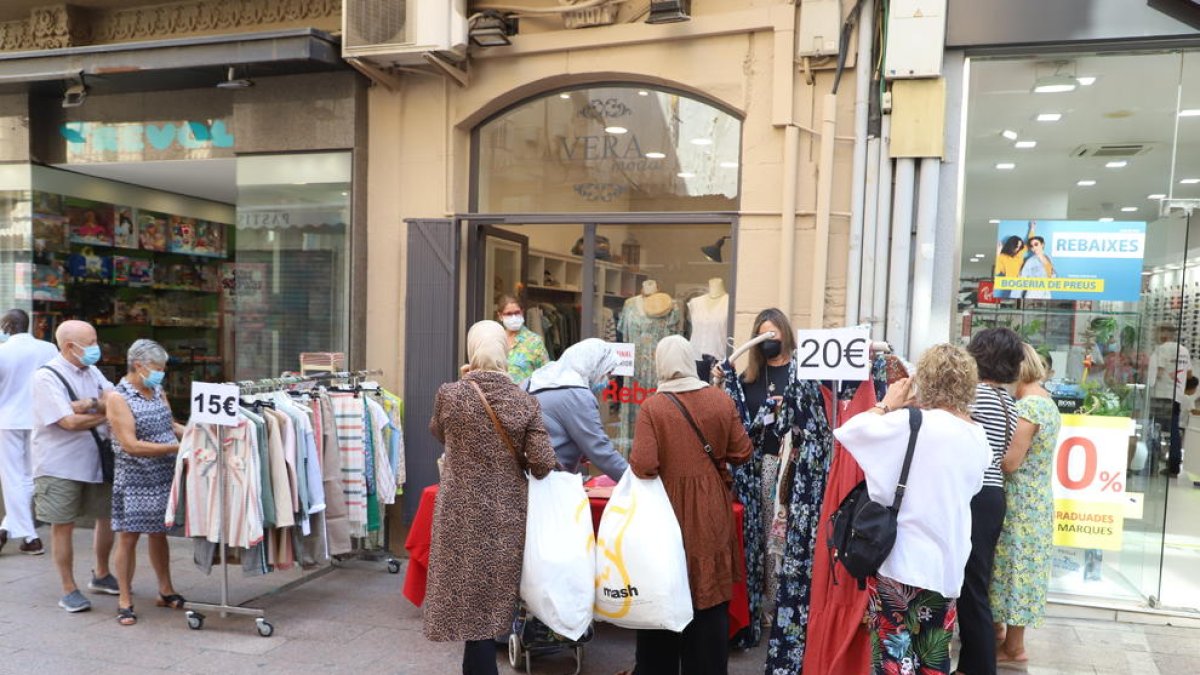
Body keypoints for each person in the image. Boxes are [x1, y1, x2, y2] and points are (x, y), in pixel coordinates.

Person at [834, 345, 991, 675]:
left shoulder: (909, 423)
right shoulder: (977, 437)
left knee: (892, 658)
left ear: (926, 379)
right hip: (945, 564)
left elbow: (849, 433)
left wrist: (886, 403)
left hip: (899, 559)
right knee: (933, 658)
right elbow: (972, 489)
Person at [424, 320, 557, 675]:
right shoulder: (524, 400)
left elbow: (439, 431)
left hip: (458, 509)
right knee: (489, 600)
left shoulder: (449, 394)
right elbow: (543, 463)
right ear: (505, 352)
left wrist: (464, 379)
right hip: (505, 513)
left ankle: (479, 667)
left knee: (468, 598)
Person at [626, 336, 752, 675]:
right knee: (709, 599)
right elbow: (743, 451)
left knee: (664, 592)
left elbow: (644, 463)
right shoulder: (719, 400)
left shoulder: (654, 406)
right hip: (712, 510)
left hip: (666, 512)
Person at [711, 307, 800, 643]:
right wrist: (721, 379)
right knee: (757, 539)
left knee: (781, 540)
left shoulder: (800, 373)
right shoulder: (747, 377)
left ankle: (780, 610)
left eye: (773, 334)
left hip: (788, 467)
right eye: (762, 335)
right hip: (754, 470)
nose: (769, 341)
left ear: (785, 335)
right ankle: (759, 608)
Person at [30, 320, 117, 613]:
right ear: (69, 347)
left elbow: (115, 399)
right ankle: (69, 588)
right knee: (62, 525)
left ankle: (102, 573)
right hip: (59, 465)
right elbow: (67, 422)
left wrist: (87, 404)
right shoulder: (46, 377)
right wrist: (103, 413)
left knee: (106, 516)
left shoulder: (91, 370)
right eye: (90, 343)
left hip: (97, 459)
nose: (96, 348)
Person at [105, 340, 187, 626]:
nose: (161, 374)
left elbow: (169, 424)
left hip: (163, 473)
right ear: (139, 366)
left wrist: (193, 433)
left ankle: (165, 589)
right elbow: (131, 445)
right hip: (136, 476)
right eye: (158, 369)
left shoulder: (156, 389)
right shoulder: (118, 397)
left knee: (159, 533)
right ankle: (124, 599)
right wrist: (176, 449)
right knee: (129, 536)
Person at [959, 326, 1025, 675]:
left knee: (970, 587)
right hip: (993, 494)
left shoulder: (977, 396)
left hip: (974, 493)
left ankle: (979, 666)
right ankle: (972, 663)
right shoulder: (1009, 402)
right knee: (975, 582)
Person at [991, 343, 1061, 667]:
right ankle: (1006, 638)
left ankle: (1013, 647)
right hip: (1038, 499)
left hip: (1020, 501)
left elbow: (1011, 463)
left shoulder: (1029, 408)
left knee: (1014, 569)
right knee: (1023, 571)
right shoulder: (1047, 402)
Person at [525, 338, 628, 481]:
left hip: (523, 476)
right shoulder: (578, 396)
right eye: (607, 373)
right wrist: (635, 483)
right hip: (550, 481)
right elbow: (601, 452)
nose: (608, 381)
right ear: (593, 366)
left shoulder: (533, 381)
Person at [0, 309, 59, 555]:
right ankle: (12, 529)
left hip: (8, 419)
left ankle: (29, 535)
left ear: (7, 325)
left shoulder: (2, 351)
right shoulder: (48, 349)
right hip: (40, 419)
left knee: (14, 477)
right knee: (30, 477)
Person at [1148, 323, 1193, 476]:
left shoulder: (1162, 349)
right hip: (1177, 395)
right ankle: (1174, 465)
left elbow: (1158, 373)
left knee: (1155, 429)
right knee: (1174, 430)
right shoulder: (1184, 350)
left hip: (1161, 394)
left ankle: (1152, 463)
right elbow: (1189, 375)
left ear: (1163, 333)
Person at [497, 294, 549, 384]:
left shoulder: (534, 342)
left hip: (525, 396)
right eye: (509, 314)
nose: (513, 317)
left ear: (522, 312)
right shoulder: (495, 339)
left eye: (517, 313)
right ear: (500, 315)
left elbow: (546, 374)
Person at [1019, 235, 1055, 300]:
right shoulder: (1030, 261)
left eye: (1036, 244)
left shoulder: (1048, 258)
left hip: (1046, 293)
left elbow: (1052, 274)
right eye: (1032, 246)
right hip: (1033, 293)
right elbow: (1022, 278)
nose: (1034, 247)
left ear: (1042, 245)